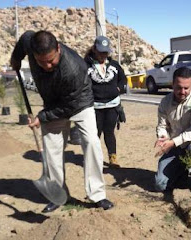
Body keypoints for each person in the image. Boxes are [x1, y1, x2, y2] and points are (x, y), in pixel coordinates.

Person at [10, 30, 114, 213]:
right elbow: (23, 40)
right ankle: (58, 196)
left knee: (91, 142)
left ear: (58, 48)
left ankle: (97, 195)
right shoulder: (30, 42)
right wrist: (16, 59)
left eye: (51, 60)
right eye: (42, 62)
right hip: (52, 102)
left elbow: (68, 107)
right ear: (34, 54)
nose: (48, 65)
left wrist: (41, 118)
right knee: (51, 150)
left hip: (79, 102)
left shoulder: (73, 68)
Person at [154, 67, 191, 192]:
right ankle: (181, 172)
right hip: (175, 147)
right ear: (172, 84)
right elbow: (162, 125)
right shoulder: (165, 102)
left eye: (186, 88)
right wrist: (163, 137)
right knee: (160, 185)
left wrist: (173, 142)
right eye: (179, 87)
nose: (182, 91)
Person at [84, 36, 127, 168]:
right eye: (101, 51)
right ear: (94, 49)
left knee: (109, 132)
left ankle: (112, 158)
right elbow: (82, 83)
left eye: (105, 52)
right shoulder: (86, 65)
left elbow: (123, 79)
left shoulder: (114, 65)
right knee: (95, 133)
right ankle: (94, 159)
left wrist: (118, 88)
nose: (103, 54)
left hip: (112, 105)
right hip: (95, 107)